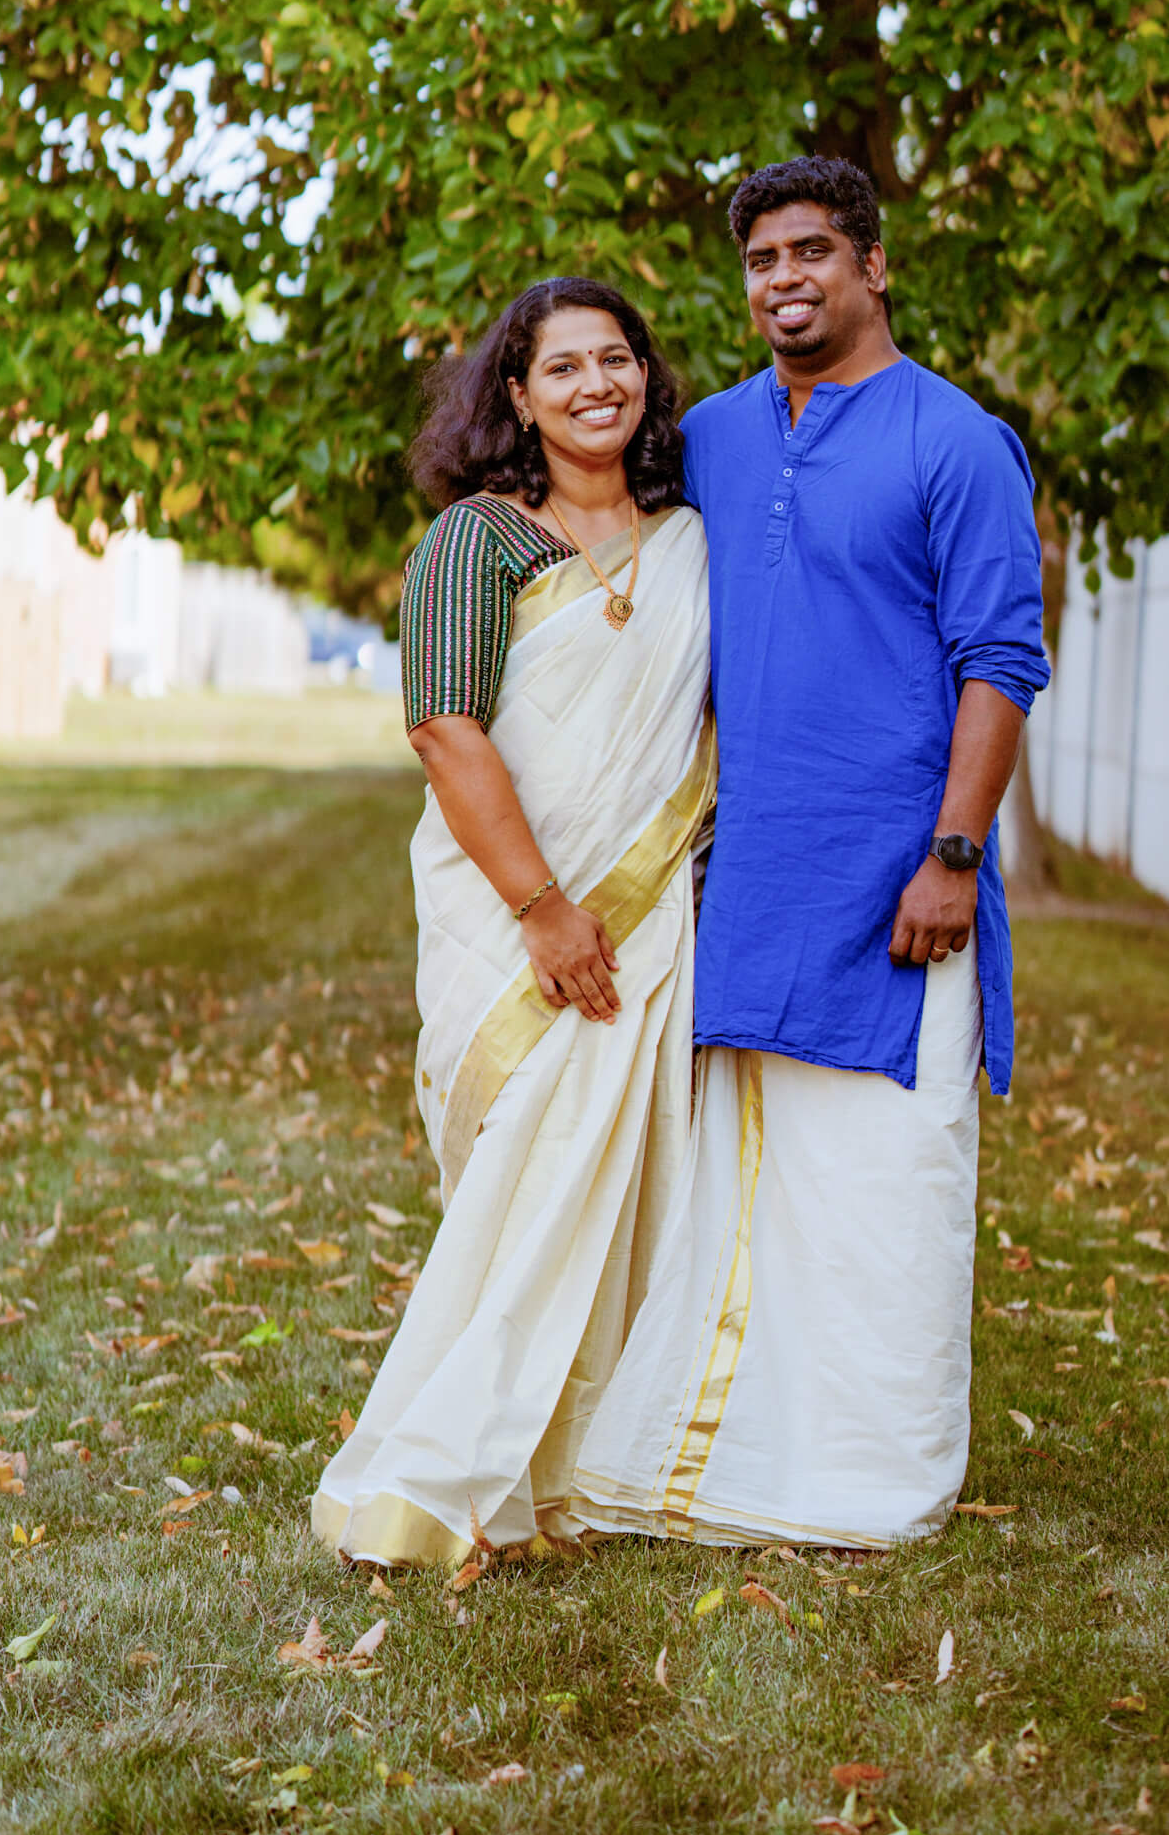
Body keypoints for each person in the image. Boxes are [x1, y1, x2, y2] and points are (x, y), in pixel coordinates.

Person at [570, 157, 1050, 1548]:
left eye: (811, 253)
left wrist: (952, 854)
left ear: (872, 266)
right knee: (751, 1179)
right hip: (751, 877)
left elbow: (998, 663)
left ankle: (876, 1481)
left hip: (901, 880)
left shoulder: (955, 441)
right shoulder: (714, 435)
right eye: (761, 261)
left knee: (888, 1181)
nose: (783, 280)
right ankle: (739, 1452)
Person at [312, 278, 717, 1566]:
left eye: (620, 360)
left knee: (625, 1181)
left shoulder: (690, 541)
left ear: (646, 379)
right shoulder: (478, 541)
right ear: (517, 396)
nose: (599, 384)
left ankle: (588, 1470)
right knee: (522, 1186)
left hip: (653, 921)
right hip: (515, 924)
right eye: (565, 368)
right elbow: (443, 725)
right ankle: (447, 1473)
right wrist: (546, 913)